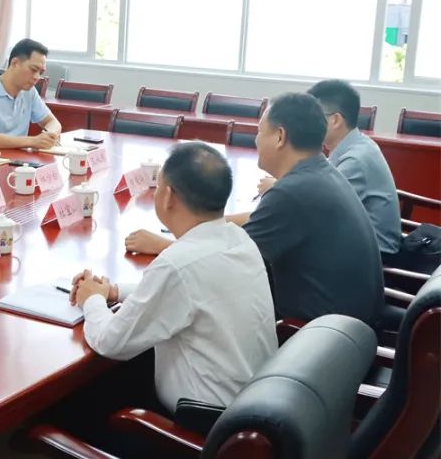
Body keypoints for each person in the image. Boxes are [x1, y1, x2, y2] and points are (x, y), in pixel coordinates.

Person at [124, 93, 383, 328]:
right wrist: (206, 221)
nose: (255, 139)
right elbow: (256, 221)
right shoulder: (318, 173)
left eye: (260, 132)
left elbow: (226, 266)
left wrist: (163, 244)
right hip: (350, 327)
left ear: (280, 137)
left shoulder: (292, 193)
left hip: (316, 337)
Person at [70, 141, 277, 413]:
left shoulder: (177, 264)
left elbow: (111, 342)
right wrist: (114, 291)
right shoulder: (237, 239)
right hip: (251, 404)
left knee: (83, 399)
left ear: (168, 195)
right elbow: (189, 293)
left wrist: (92, 300)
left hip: (203, 422)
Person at [254, 80, 400, 261]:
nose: (307, 123)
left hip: (374, 257)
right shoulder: (355, 145)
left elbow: (314, 203)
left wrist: (278, 187)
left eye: (315, 116)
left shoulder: (355, 159)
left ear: (336, 120)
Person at [0, 38, 62, 150]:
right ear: (14, 63)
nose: (37, 77)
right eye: (33, 69)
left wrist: (48, 136)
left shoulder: (29, 92)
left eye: (41, 72)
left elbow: (53, 122)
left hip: (19, 160)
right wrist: (32, 141)